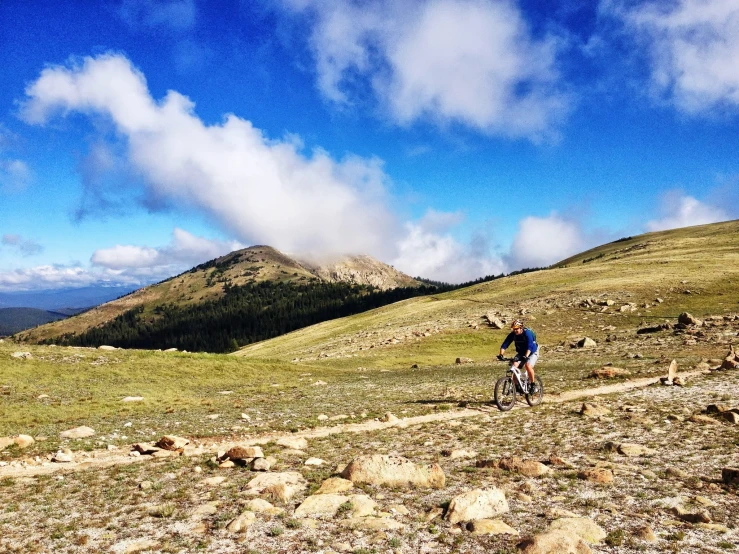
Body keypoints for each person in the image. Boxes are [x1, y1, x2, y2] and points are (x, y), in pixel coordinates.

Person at [497, 319, 539, 393]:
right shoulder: (513, 335)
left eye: (516, 329)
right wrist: (501, 354)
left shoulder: (527, 333)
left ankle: (533, 384)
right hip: (521, 352)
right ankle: (517, 385)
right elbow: (505, 344)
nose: (515, 331)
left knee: (528, 365)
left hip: (532, 351)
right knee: (514, 366)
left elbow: (530, 346)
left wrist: (526, 356)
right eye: (514, 329)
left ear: (521, 328)